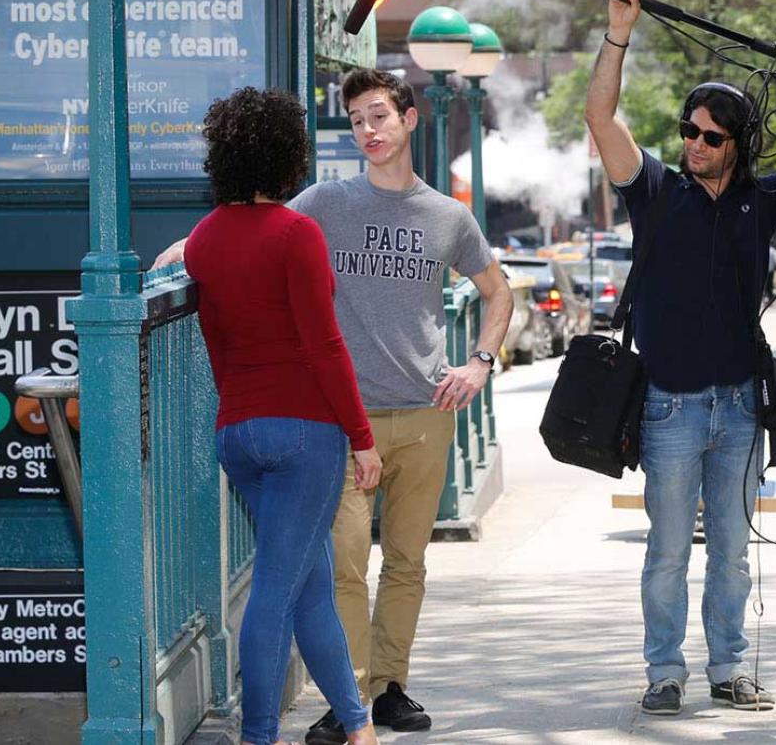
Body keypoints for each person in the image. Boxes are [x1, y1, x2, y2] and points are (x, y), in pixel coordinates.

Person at [155, 69, 513, 744]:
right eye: (356, 120)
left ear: (409, 119)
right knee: (309, 578)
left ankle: (369, 709)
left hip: (337, 419)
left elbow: (498, 292)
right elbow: (320, 343)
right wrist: (359, 436)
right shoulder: (311, 215)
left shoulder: (446, 215)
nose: (368, 130)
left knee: (364, 569)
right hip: (324, 425)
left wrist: (479, 363)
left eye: (378, 115)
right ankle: (287, 722)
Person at [585, 0, 776, 716]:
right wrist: (620, 31)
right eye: (688, 131)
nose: (694, 145)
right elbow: (599, 115)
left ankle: (731, 668)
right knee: (668, 554)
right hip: (670, 409)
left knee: (735, 556)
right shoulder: (652, 189)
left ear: (738, 146)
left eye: (711, 136)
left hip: (742, 404)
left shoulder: (763, 199)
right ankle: (664, 672)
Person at [182, 87, 382, 745]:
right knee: (275, 586)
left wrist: (242, 407)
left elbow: (217, 343)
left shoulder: (205, 238)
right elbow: (326, 347)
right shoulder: (298, 233)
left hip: (238, 432)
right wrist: (361, 437)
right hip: (306, 434)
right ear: (288, 154)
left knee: (309, 584)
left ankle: (357, 725)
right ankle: (258, 735)